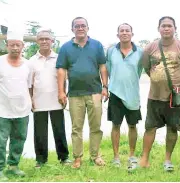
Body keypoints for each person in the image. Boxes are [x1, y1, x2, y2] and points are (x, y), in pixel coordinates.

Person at [139, 16, 180, 171]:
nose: (166, 28)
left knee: (172, 127)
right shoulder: (150, 47)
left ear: (175, 28)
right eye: (163, 26)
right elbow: (146, 68)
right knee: (150, 127)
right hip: (154, 96)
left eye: (169, 26)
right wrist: (157, 79)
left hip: (175, 97)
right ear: (158, 28)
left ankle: (168, 160)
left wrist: (176, 81)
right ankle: (144, 159)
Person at [56, 17, 108, 169]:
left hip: (95, 92)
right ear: (72, 29)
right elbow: (61, 70)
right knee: (76, 128)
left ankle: (95, 156)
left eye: (83, 26)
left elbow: (102, 67)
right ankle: (77, 158)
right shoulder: (66, 47)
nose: (80, 28)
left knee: (96, 127)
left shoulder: (97, 45)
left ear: (87, 28)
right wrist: (61, 92)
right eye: (77, 26)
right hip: (74, 94)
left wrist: (105, 87)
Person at [0, 27, 32, 181]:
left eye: (18, 45)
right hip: (1, 110)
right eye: (12, 45)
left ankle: (13, 166)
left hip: (22, 110)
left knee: (19, 138)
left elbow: (29, 86)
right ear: (7, 46)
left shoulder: (27, 65)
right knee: (0, 141)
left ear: (23, 46)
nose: (15, 47)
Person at [28, 29, 72, 168]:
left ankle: (64, 157)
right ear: (37, 42)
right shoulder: (31, 61)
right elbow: (29, 83)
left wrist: (64, 94)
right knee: (40, 132)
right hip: (38, 101)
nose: (44, 41)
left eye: (47, 39)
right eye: (41, 39)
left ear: (52, 41)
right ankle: (41, 160)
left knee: (59, 130)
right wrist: (30, 100)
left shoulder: (59, 58)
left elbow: (64, 79)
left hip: (57, 100)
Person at [106, 23, 143, 171]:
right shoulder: (110, 51)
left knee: (132, 125)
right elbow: (108, 69)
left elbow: (140, 71)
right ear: (118, 34)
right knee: (115, 125)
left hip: (133, 94)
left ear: (132, 34)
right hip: (115, 93)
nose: (124, 33)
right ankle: (116, 157)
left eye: (127, 30)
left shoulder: (140, 52)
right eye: (122, 30)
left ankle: (132, 155)